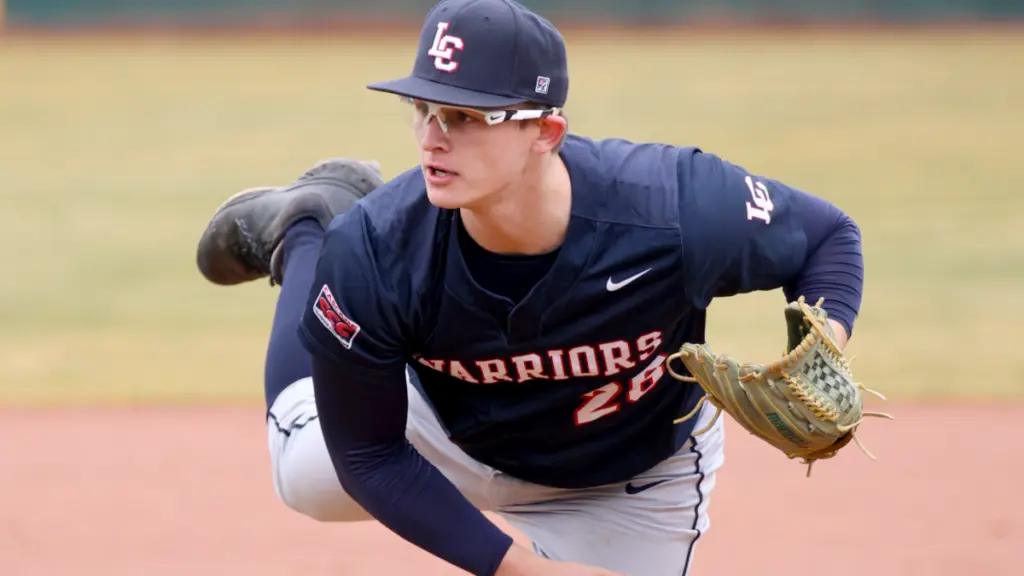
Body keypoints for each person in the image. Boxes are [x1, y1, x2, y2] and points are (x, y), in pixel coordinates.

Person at [195, 0, 864, 574]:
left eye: (466, 116)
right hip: (438, 431)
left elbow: (828, 235)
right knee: (302, 477)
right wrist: (511, 566)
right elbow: (368, 451)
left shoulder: (677, 211)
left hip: (624, 476)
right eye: (424, 109)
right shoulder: (377, 248)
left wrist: (821, 346)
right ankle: (305, 226)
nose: (432, 138)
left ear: (545, 131)